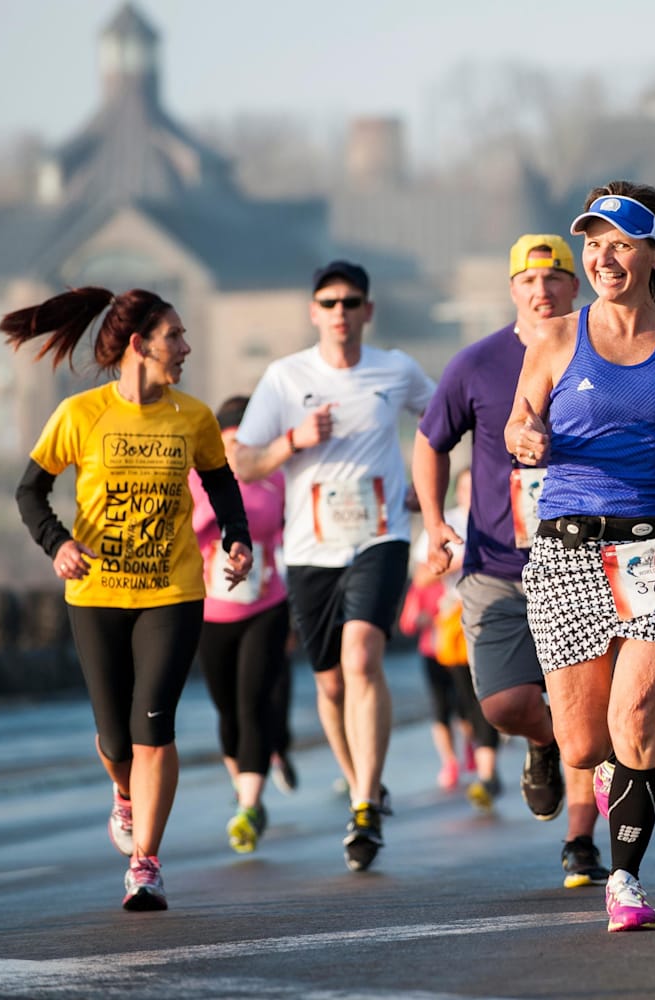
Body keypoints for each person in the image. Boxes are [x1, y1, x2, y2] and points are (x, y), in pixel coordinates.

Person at [505, 185, 655, 930]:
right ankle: (580, 763)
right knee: (584, 742)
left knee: (636, 716)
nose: (604, 257)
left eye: (620, 243)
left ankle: (626, 879)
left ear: (653, 254)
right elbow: (519, 423)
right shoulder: (554, 342)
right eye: (594, 244)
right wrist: (527, 439)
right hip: (570, 547)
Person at [5, 287, 252, 911]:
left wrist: (237, 536)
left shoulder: (192, 418)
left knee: (153, 727)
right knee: (115, 740)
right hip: (96, 594)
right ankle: (123, 793)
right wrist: (57, 544)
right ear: (140, 345)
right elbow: (30, 493)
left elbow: (222, 485)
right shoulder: (79, 415)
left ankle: (146, 863)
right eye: (176, 336)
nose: (187, 347)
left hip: (172, 591)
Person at [413, 233, 610, 889]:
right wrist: (438, 522)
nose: (542, 291)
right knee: (502, 704)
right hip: (495, 562)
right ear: (512, 290)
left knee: (576, 697)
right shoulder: (476, 364)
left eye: (554, 280)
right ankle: (543, 745)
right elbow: (429, 443)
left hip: (581, 556)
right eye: (529, 281)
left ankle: (580, 840)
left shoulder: (600, 351)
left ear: (573, 289)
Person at [232, 260, 435, 872]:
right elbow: (241, 462)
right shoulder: (285, 377)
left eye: (351, 302)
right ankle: (359, 787)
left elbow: (446, 424)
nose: (340, 312)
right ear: (314, 312)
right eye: (329, 302)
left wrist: (424, 491)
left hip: (380, 538)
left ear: (368, 310)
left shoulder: (396, 370)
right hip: (309, 550)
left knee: (361, 658)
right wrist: (292, 442)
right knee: (328, 682)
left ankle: (367, 803)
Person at [190, 395, 291, 854]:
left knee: (253, 701)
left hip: (266, 604)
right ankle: (242, 784)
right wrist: (216, 509)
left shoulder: (275, 480)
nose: (236, 453)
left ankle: (249, 804)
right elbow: (184, 532)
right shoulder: (196, 479)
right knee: (226, 706)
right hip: (211, 610)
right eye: (228, 442)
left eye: (243, 443)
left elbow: (293, 532)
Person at [402, 468, 501, 805]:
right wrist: (455, 562)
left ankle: (487, 774)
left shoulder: (501, 516)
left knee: (488, 695)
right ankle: (468, 762)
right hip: (454, 621)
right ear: (455, 492)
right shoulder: (446, 524)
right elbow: (421, 577)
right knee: (462, 699)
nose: (470, 494)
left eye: (477, 486)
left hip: (497, 614)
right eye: (464, 487)